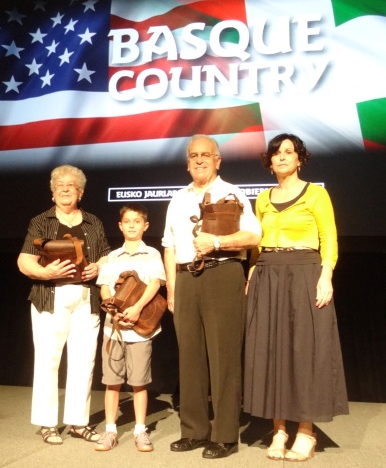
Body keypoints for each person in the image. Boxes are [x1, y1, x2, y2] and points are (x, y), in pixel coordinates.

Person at [243, 133, 348, 462]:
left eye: (289, 152)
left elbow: (328, 235)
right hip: (268, 272)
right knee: (271, 350)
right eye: (276, 153)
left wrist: (326, 275)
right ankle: (279, 430)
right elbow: (257, 243)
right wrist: (251, 273)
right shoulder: (262, 198)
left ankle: (305, 431)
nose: (282, 157)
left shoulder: (315, 194)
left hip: (304, 270)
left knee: (305, 351)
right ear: (269, 161)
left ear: (300, 159)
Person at [162, 134, 261, 459]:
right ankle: (194, 430)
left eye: (206, 154)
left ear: (218, 160)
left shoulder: (232, 192)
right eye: (193, 155)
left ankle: (224, 435)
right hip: (186, 279)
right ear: (187, 162)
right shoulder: (177, 198)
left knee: (224, 358)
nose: (199, 160)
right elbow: (170, 245)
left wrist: (218, 244)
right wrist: (173, 291)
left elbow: (254, 235)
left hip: (223, 274)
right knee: (189, 357)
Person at [17, 165, 111, 445]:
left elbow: (106, 256)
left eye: (71, 185)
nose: (65, 188)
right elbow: (24, 260)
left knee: (84, 361)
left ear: (80, 192)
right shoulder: (41, 221)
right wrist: (45, 273)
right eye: (59, 185)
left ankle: (78, 423)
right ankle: (47, 424)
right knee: (48, 361)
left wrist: (98, 267)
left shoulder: (93, 222)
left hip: (86, 299)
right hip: (50, 297)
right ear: (52, 191)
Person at [93, 203, 165, 453]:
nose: (132, 225)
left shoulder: (152, 254)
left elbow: (156, 283)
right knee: (112, 381)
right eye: (127, 221)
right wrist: (113, 313)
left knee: (138, 382)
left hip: (140, 328)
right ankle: (110, 430)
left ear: (145, 226)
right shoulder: (112, 257)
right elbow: (104, 287)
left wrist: (136, 310)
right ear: (120, 226)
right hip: (114, 329)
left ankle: (140, 430)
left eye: (137, 221)